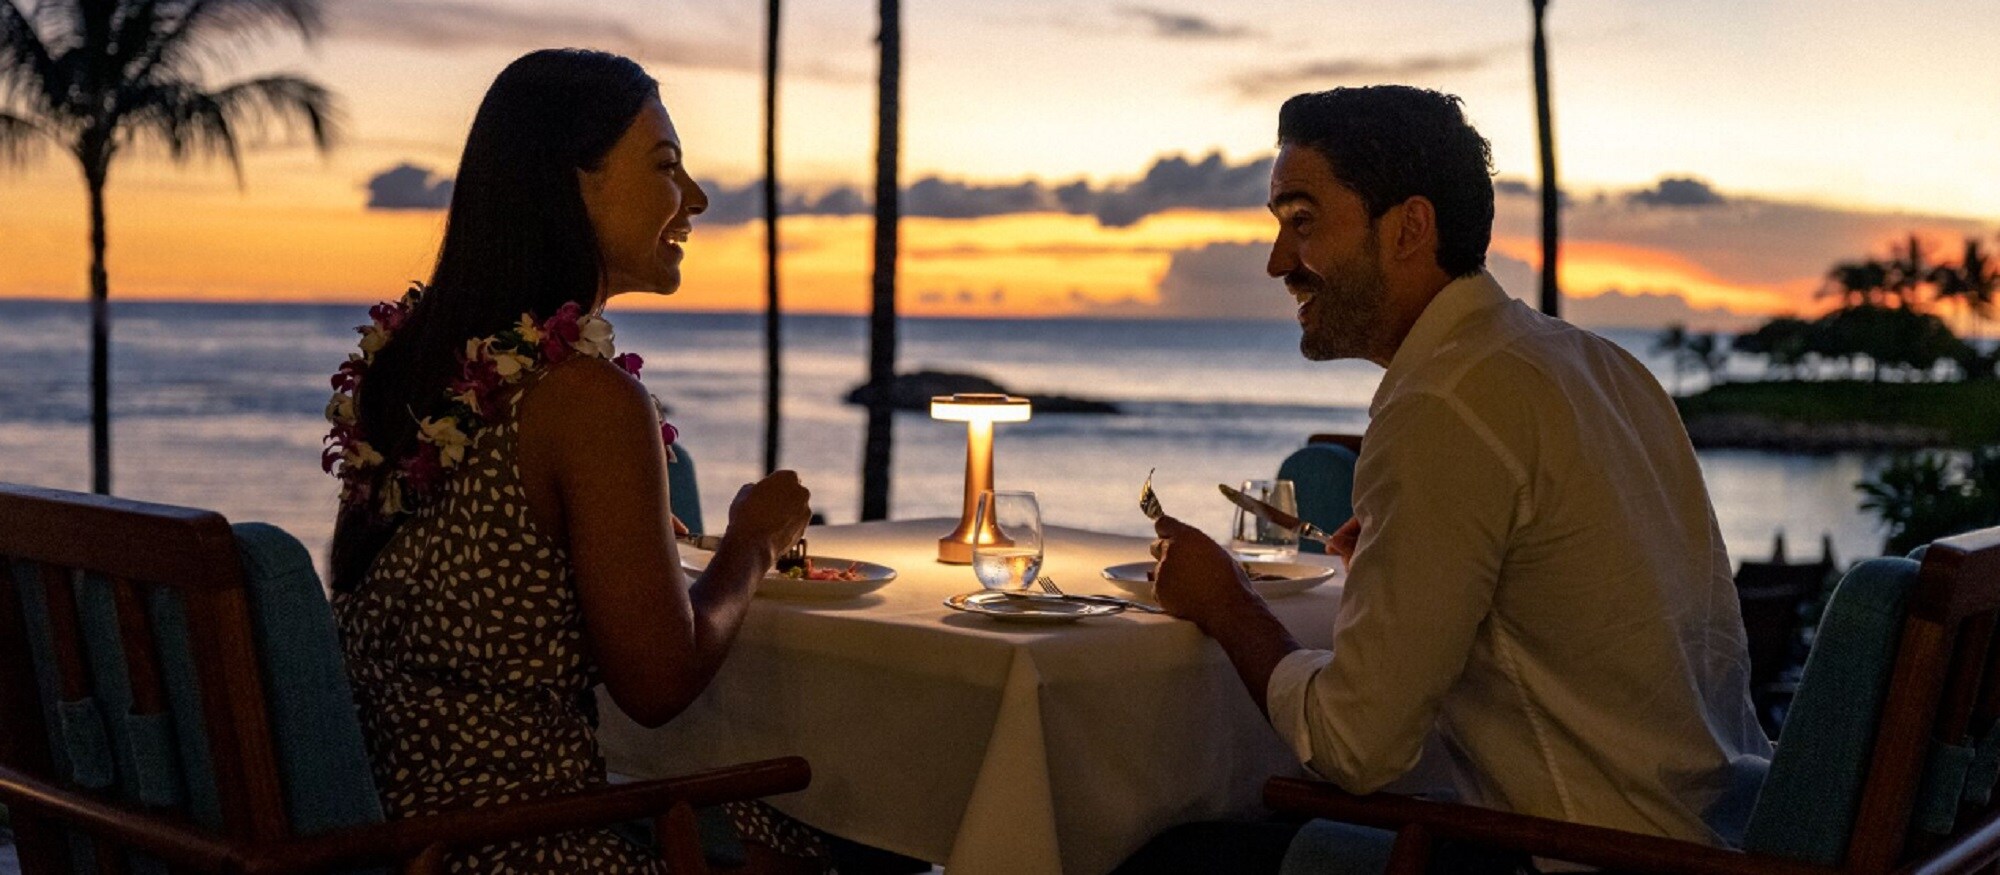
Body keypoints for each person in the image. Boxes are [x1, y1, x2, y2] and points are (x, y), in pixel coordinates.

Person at [1123, 86, 1771, 872]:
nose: (1277, 262)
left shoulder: (1442, 403)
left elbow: (1357, 749)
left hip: (1581, 851)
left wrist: (1226, 602)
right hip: (1709, 829)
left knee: (1165, 854)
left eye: (1302, 221)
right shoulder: (1600, 366)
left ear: (1408, 228)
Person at [325, 49, 824, 873]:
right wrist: (753, 542)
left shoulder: (413, 364)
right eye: (666, 166)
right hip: (521, 843)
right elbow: (659, 687)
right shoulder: (587, 401)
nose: (695, 198)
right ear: (571, 183)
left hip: (397, 829)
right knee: (829, 828)